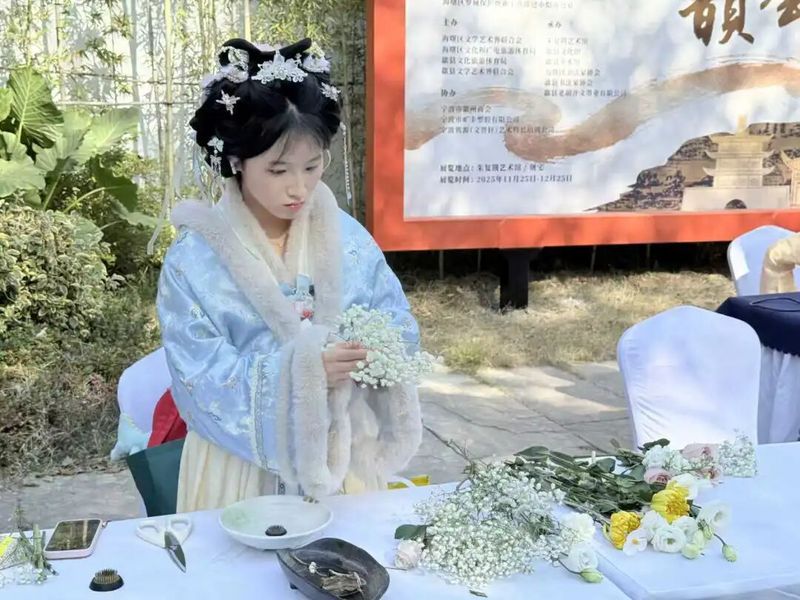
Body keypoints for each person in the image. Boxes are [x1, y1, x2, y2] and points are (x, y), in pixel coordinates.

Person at [157, 37, 422, 512]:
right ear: (236, 162)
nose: (298, 188)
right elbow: (198, 375)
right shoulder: (194, 259)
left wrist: (370, 353)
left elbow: (397, 324)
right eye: (278, 170)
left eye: (312, 166)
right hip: (239, 465)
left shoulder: (349, 238)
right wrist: (305, 372)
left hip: (343, 450)